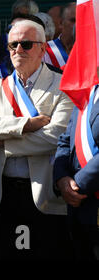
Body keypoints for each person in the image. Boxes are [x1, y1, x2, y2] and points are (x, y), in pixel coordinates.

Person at [0, 19, 74, 259]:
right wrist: (27, 124)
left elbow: (54, 137)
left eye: (26, 44)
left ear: (42, 48)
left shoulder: (62, 86)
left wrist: (5, 141)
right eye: (12, 45)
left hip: (43, 193)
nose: (18, 50)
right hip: (3, 191)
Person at [53, 79, 99, 260]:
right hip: (78, 210)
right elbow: (66, 140)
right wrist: (61, 178)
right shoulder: (87, 92)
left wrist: (76, 185)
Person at [43, 2, 76, 70]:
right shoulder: (45, 51)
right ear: (61, 23)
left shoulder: (93, 51)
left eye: (81, 20)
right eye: (73, 20)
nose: (77, 25)